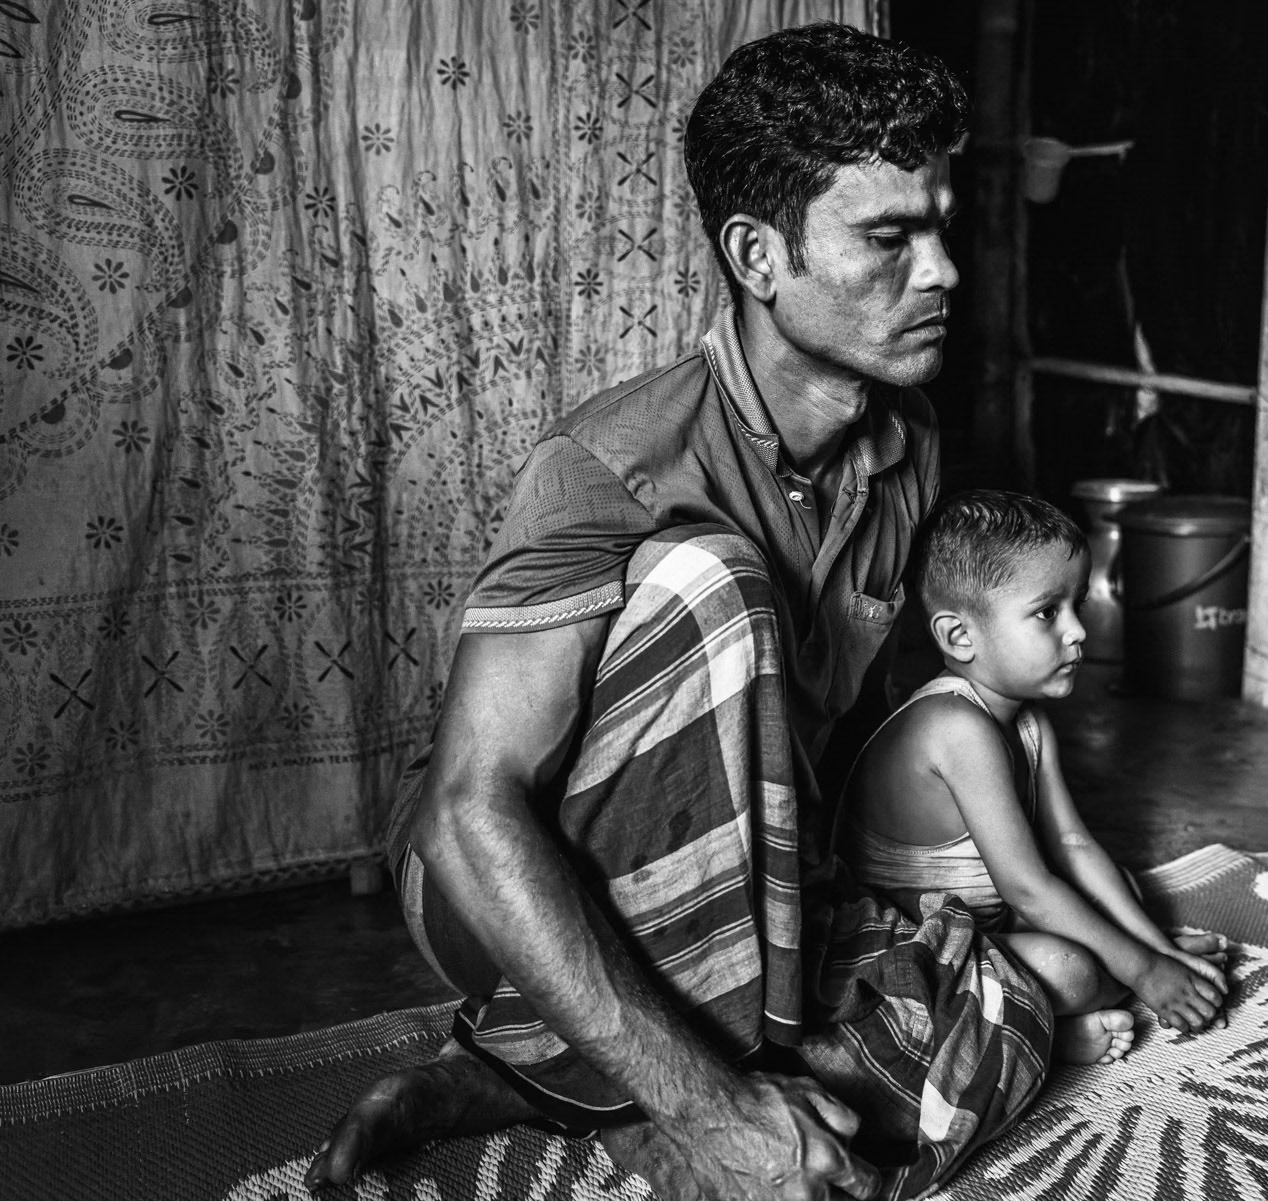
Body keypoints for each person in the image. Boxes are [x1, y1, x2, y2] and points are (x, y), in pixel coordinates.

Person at [305, 24, 1054, 1201]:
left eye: (941, 226)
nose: (945, 271)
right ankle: (667, 1092)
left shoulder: (905, 446)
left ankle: (519, 1079)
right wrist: (710, 1106)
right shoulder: (611, 462)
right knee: (711, 581)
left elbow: (833, 736)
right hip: (496, 887)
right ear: (759, 257)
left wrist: (913, 905)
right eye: (888, 237)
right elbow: (466, 811)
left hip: (736, 866)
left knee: (994, 1018)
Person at [836, 491, 1232, 1069]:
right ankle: (1049, 1040)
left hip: (984, 923)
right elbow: (1028, 889)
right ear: (959, 637)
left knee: (1116, 887)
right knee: (1073, 969)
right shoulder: (953, 726)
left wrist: (1155, 947)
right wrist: (1145, 972)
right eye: (1048, 612)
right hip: (913, 957)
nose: (1078, 632)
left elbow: (1072, 846)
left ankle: (1037, 1016)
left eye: (1078, 605)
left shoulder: (1029, 720)